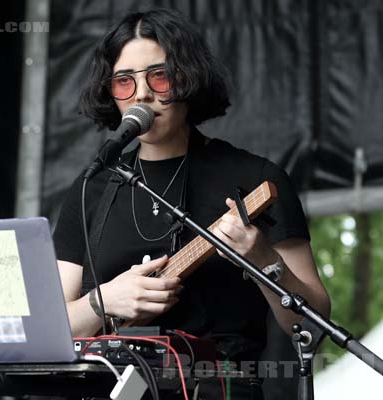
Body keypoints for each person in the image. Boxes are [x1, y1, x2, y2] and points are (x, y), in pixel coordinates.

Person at [53, 8, 331, 399]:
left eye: (159, 75)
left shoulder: (254, 178)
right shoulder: (92, 188)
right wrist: (104, 302)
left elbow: (313, 328)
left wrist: (264, 258)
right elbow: (49, 329)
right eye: (124, 82)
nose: (143, 94)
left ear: (186, 78)